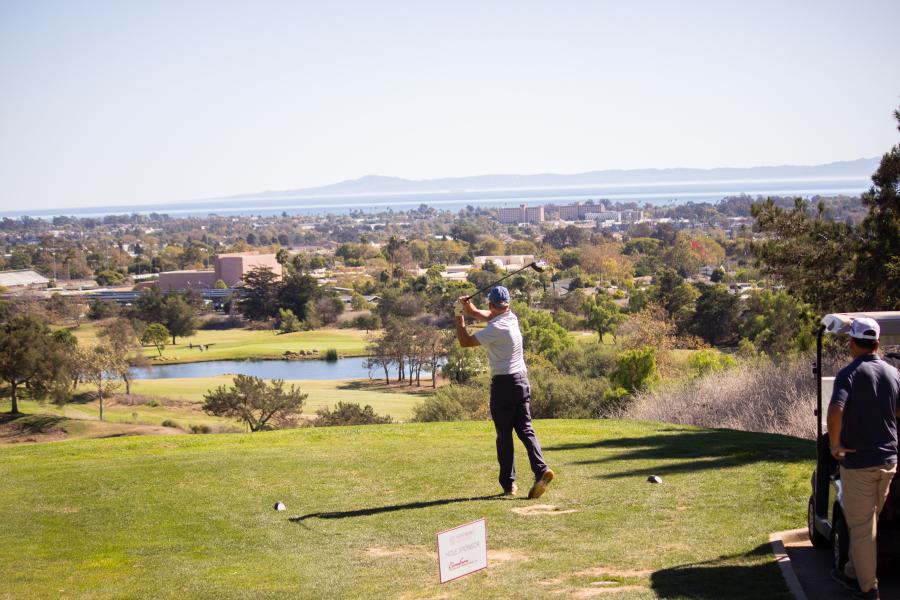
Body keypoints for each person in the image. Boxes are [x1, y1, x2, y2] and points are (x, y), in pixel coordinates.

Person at [454, 286, 554, 499]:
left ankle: (509, 485)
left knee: (504, 435)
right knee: (526, 430)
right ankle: (541, 469)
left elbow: (465, 342)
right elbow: (486, 314)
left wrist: (458, 317)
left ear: (491, 304)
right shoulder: (511, 318)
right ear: (507, 304)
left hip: (504, 385)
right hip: (522, 381)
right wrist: (468, 308)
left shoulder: (496, 328)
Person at [828, 317, 900, 600]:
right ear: (878, 344)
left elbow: (835, 411)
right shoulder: (894, 375)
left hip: (859, 463)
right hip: (888, 463)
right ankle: (849, 570)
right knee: (867, 522)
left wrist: (835, 444)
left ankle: (869, 588)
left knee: (860, 527)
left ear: (852, 343)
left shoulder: (849, 374)